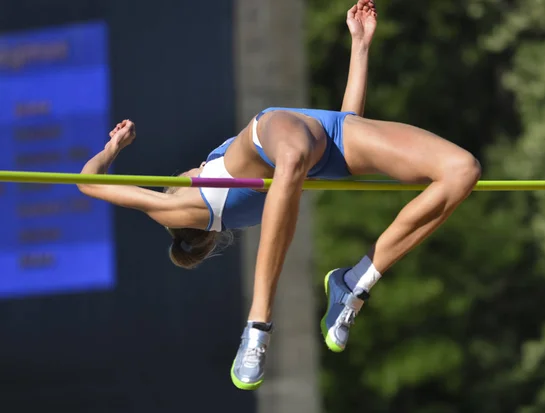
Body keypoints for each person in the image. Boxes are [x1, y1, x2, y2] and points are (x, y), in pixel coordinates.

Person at [77, 0, 481, 391]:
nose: (183, 173)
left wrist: (359, 45)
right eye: (179, 177)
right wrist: (113, 149)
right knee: (291, 157)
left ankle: (355, 281)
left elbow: (347, 122)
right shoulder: (183, 206)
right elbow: (87, 183)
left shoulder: (237, 199)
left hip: (330, 139)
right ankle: (257, 326)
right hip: (276, 133)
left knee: (462, 171)